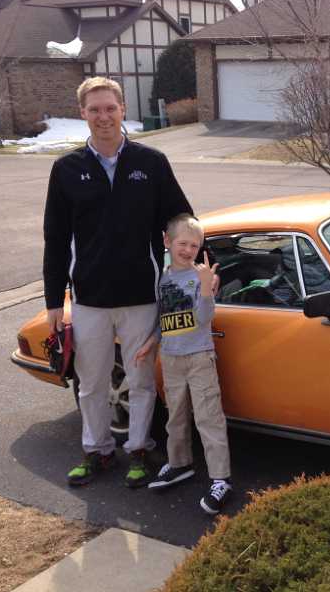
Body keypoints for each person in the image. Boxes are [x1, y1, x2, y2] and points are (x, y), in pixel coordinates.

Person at [43, 76, 192, 488]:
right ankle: (97, 451)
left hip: (141, 296)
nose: (103, 116)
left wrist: (200, 272)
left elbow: (182, 220)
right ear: (83, 113)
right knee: (91, 383)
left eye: (110, 108)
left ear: (123, 109)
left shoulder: (152, 163)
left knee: (141, 381)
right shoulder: (66, 169)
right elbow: (55, 239)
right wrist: (53, 300)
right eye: (94, 109)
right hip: (89, 299)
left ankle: (139, 450)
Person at [136, 214, 233, 515]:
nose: (188, 250)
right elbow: (164, 320)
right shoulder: (163, 278)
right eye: (183, 243)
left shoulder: (201, 278)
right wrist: (151, 342)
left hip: (199, 356)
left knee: (208, 417)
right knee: (175, 416)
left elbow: (204, 318)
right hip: (171, 358)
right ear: (167, 241)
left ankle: (221, 479)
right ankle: (179, 463)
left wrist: (205, 288)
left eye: (194, 245)